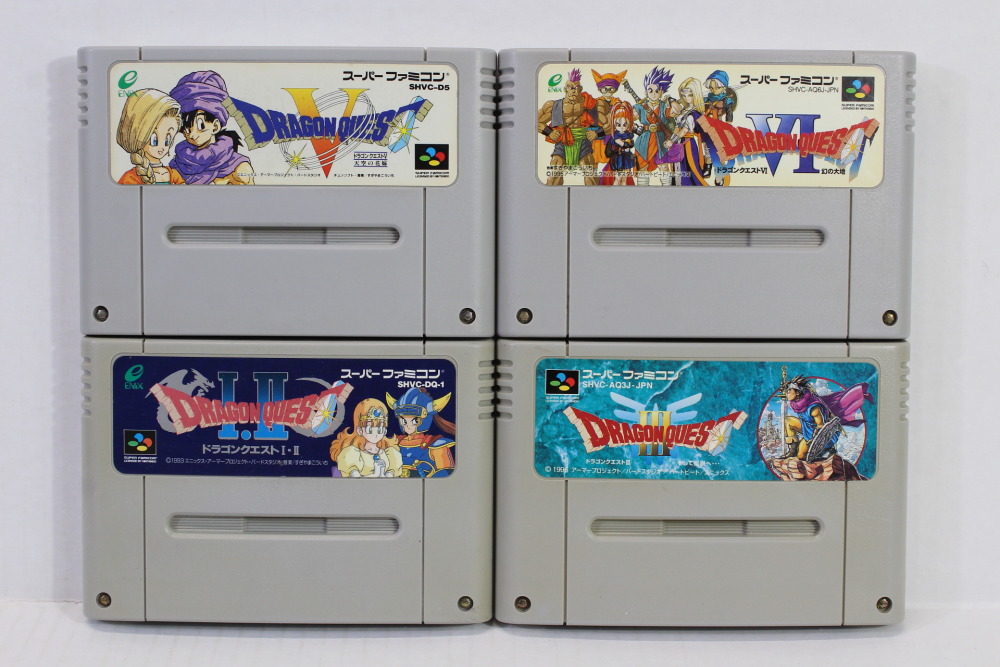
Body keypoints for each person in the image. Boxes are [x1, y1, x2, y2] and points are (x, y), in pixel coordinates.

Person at [169, 71, 254, 184]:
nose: (192, 134)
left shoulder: (238, 168)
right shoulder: (178, 164)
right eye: (187, 129)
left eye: (201, 126)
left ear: (215, 126)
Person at [115, 88, 185, 185]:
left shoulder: (173, 174)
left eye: (167, 140)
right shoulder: (131, 177)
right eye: (154, 140)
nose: (162, 147)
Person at [386, 388, 456, 477]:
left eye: (414, 421)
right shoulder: (394, 442)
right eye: (404, 421)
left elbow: (446, 474)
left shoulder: (436, 445)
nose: (408, 425)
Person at [329, 399, 402, 477]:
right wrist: (375, 474)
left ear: (385, 431)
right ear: (360, 431)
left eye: (380, 429)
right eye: (369, 429)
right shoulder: (352, 454)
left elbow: (391, 480)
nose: (375, 434)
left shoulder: (391, 453)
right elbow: (356, 481)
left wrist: (382, 475)